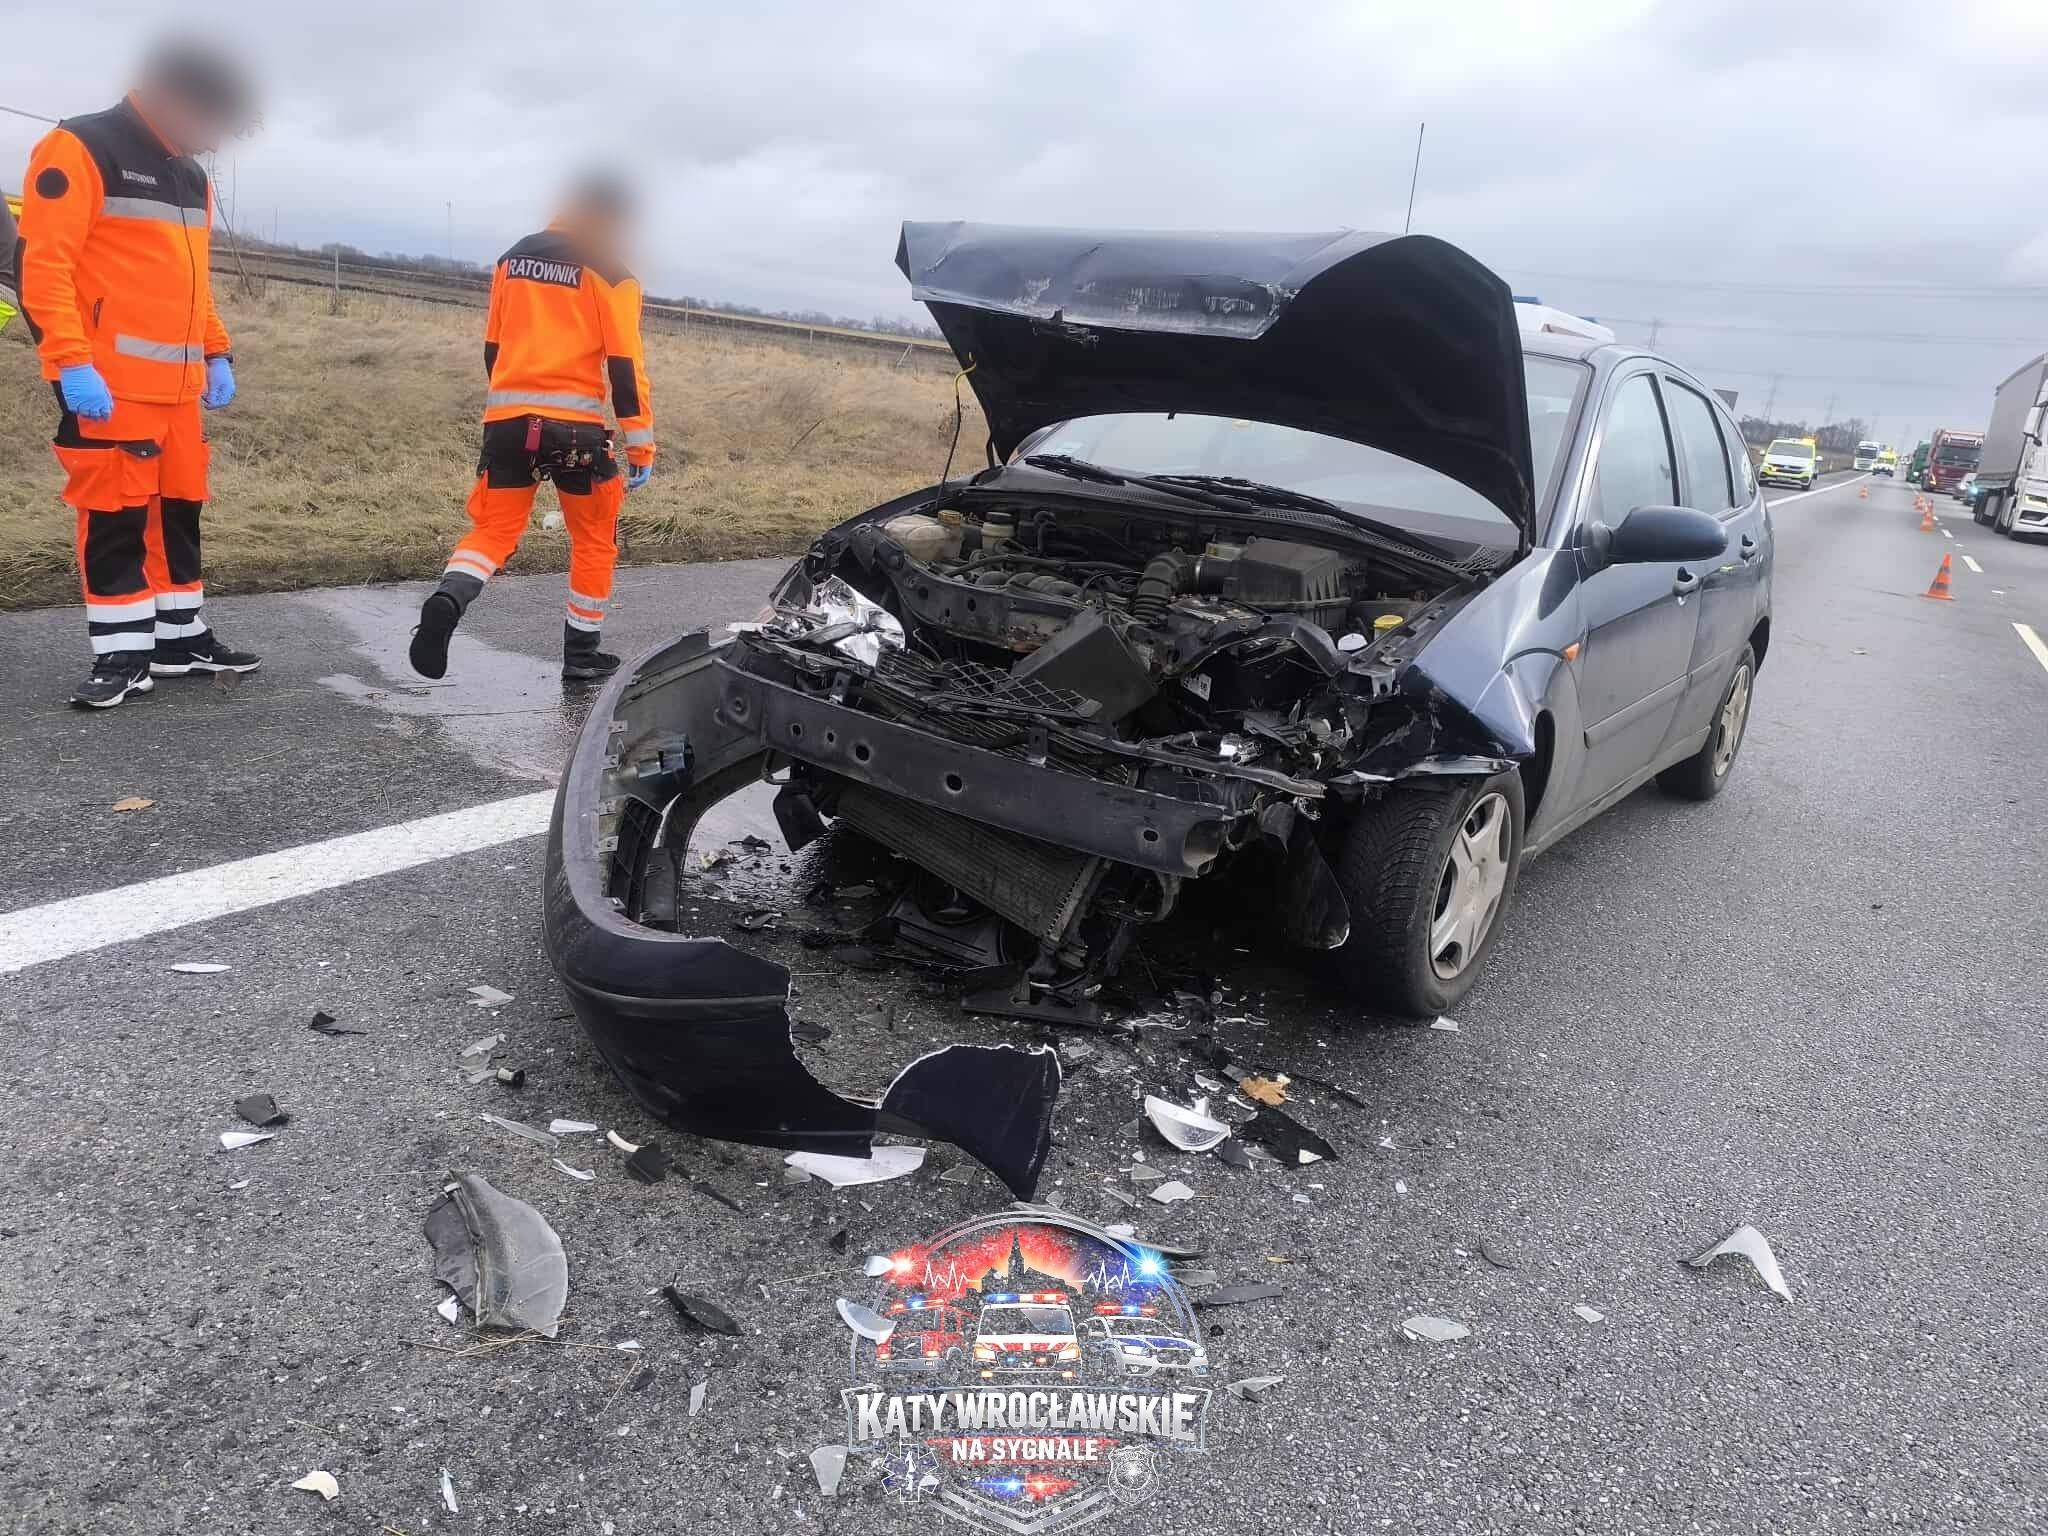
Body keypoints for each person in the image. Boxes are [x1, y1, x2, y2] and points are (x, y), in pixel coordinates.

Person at [16, 39, 262, 708]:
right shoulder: (82, 148)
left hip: (178, 393)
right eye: (212, 123)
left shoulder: (190, 177)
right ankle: (122, 653)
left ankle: (179, 637)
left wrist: (215, 350)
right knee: (115, 517)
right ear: (173, 97)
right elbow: (43, 268)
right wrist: (71, 363)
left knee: (178, 514)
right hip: (109, 386)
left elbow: (193, 281)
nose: (214, 142)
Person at [409, 172, 656, 682]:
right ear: (610, 218)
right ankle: (581, 655)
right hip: (576, 435)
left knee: (493, 530)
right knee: (594, 538)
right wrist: (641, 446)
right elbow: (625, 367)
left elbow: (493, 347)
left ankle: (449, 598)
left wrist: (512, 411)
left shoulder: (513, 259)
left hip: (508, 423)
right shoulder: (612, 272)